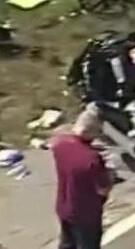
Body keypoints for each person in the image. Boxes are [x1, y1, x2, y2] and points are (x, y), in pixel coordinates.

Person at [51, 105, 112, 249]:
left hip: (64, 206)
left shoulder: (60, 145)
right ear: (90, 132)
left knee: (67, 243)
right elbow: (103, 189)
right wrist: (109, 173)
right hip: (86, 214)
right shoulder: (92, 159)